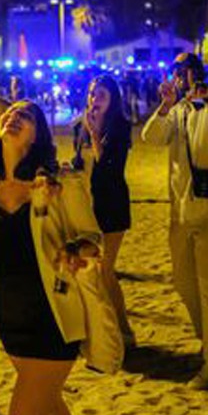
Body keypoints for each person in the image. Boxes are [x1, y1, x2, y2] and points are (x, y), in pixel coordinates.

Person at [0, 100, 102, 415]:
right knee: (50, 408)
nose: (14, 118)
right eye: (10, 114)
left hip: (52, 318)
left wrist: (74, 251)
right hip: (11, 320)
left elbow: (92, 239)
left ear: (38, 134)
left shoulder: (61, 183)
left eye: (25, 117)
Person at [141, 52, 208, 389]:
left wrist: (207, 95)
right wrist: (166, 106)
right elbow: (151, 137)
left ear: (198, 73)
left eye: (186, 71)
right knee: (183, 282)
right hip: (181, 212)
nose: (181, 77)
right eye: (177, 71)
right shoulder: (178, 111)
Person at [73, 75, 135, 344]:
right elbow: (79, 162)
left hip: (111, 204)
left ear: (113, 100)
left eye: (101, 95)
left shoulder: (120, 127)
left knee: (105, 270)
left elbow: (110, 168)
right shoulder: (81, 125)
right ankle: (103, 328)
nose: (94, 99)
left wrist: (96, 132)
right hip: (85, 203)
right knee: (89, 270)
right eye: (91, 93)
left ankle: (124, 330)